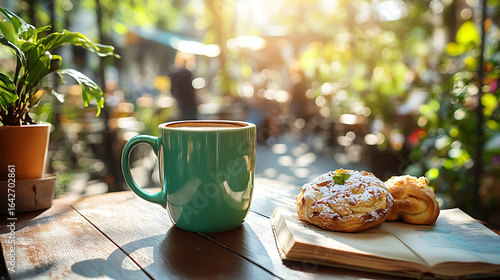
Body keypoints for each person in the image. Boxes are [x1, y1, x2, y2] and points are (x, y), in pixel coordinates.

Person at [169, 52, 198, 120]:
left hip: (181, 103)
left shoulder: (174, 73)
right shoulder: (187, 73)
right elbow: (191, 91)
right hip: (189, 103)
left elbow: (172, 90)